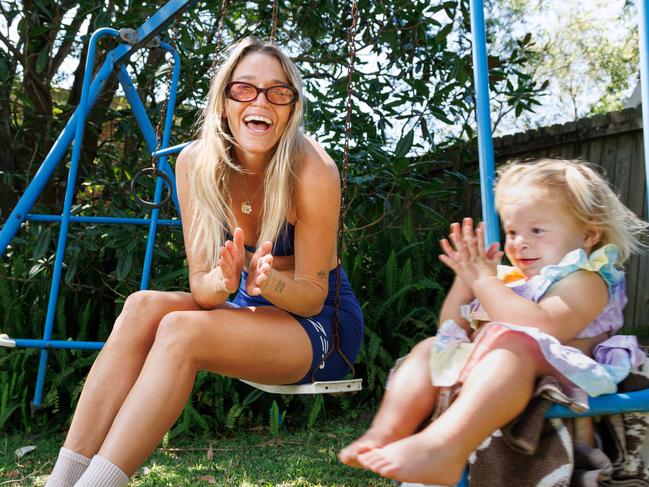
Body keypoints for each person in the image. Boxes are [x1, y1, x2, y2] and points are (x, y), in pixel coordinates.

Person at [45, 36, 363, 487]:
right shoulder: (196, 163)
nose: (261, 101)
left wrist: (269, 282)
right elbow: (204, 288)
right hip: (249, 309)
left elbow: (312, 297)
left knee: (180, 330)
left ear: (291, 107)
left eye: (278, 91)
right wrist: (225, 277)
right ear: (225, 98)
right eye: (244, 88)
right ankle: (61, 481)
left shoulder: (312, 170)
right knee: (140, 306)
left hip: (319, 326)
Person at [339, 158, 648, 485]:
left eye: (537, 230)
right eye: (512, 231)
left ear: (589, 235)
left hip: (563, 367)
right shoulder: (512, 278)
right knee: (430, 348)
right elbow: (452, 329)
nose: (520, 242)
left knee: (512, 347)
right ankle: (386, 433)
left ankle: (444, 448)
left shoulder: (587, 277)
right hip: (498, 364)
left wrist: (485, 284)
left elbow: (544, 328)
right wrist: (467, 280)